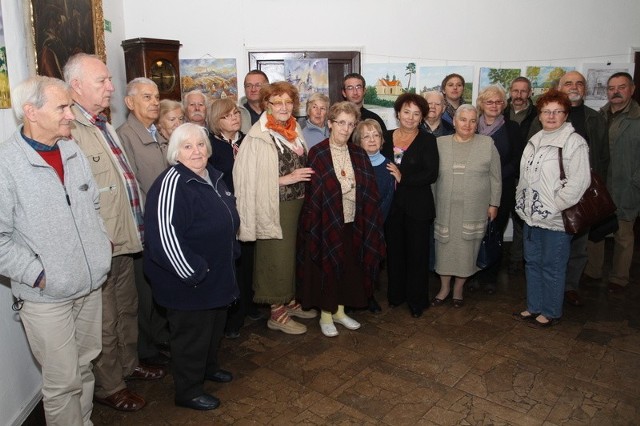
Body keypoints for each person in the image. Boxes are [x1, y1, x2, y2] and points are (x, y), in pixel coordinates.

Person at [0, 76, 111, 425]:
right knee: (63, 383)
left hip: (90, 284)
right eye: (62, 107)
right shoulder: (6, 164)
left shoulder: (71, 148)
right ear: (31, 112)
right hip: (46, 297)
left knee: (84, 367)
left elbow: (91, 203)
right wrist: (40, 275)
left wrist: (99, 247)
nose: (70, 114)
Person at [64, 53, 165, 413]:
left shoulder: (102, 123)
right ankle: (110, 385)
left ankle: (128, 365)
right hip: (99, 244)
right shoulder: (69, 128)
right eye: (102, 81)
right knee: (104, 320)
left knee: (127, 307)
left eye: (109, 80)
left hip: (123, 238)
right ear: (76, 86)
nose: (111, 86)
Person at [144, 123, 239, 411]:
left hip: (217, 276)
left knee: (211, 330)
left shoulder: (212, 175)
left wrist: (231, 252)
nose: (196, 151)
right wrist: (194, 272)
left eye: (200, 145)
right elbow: (164, 237)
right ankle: (187, 390)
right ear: (175, 152)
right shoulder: (171, 184)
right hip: (189, 281)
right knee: (190, 337)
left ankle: (207, 368)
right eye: (187, 146)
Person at [233, 81, 316, 335]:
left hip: (297, 203)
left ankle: (288, 299)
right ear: (267, 105)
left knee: (291, 255)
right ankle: (276, 312)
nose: (283, 107)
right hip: (274, 205)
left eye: (288, 102)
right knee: (275, 257)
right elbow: (244, 178)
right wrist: (284, 179)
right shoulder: (258, 136)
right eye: (277, 102)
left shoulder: (294, 129)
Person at [297, 102, 386, 336]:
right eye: (341, 123)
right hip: (327, 222)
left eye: (350, 124)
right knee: (329, 267)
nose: (346, 129)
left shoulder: (358, 153)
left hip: (354, 221)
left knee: (349, 267)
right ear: (330, 124)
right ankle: (326, 315)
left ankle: (339, 311)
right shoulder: (318, 153)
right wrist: (345, 188)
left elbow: (369, 189)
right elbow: (315, 193)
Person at [514, 89, 590, 327]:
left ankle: (551, 311)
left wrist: (554, 206)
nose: (551, 116)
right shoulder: (534, 140)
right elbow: (524, 177)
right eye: (547, 111)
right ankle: (534, 306)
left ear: (566, 115)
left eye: (557, 111)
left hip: (555, 220)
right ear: (539, 115)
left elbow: (580, 182)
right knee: (533, 263)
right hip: (531, 217)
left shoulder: (573, 142)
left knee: (552, 266)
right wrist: (521, 202)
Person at [117, 77, 172, 368]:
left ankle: (160, 337)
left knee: (160, 284)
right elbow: (133, 187)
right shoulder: (124, 135)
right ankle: (146, 348)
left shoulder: (157, 132)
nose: (154, 102)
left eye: (156, 97)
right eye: (147, 97)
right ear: (129, 102)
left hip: (166, 222)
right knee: (144, 289)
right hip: (147, 225)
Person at [431, 105, 502, 309]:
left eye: (472, 121)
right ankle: (444, 288)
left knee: (467, 251)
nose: (468, 125)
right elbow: (432, 179)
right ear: (454, 121)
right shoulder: (440, 143)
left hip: (474, 209)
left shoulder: (487, 143)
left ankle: (459, 290)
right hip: (444, 209)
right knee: (444, 249)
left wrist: (494, 203)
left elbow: (496, 178)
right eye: (463, 120)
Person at [207, 97, 264, 338]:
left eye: (236, 114)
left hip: (251, 208)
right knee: (232, 263)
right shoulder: (210, 146)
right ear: (216, 121)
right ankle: (233, 316)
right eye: (228, 115)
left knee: (250, 259)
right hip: (226, 211)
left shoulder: (249, 141)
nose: (235, 118)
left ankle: (251, 305)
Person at [381, 93, 439, 318]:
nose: (411, 117)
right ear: (398, 113)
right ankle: (396, 296)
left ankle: (417, 300)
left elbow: (431, 174)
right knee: (394, 253)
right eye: (407, 112)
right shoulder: (384, 137)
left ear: (422, 117)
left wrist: (402, 177)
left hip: (418, 208)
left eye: (416, 114)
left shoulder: (428, 140)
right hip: (391, 207)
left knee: (417, 255)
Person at [555, 71, 609, 306]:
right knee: (553, 243)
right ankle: (552, 285)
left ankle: (570, 287)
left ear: (585, 89)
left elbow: (603, 157)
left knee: (578, 243)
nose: (574, 87)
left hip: (583, 192)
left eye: (579, 83)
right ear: (560, 87)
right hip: (552, 191)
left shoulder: (594, 118)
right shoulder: (546, 116)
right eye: (568, 83)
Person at [586, 72, 640, 294]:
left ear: (632, 89)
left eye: (621, 87)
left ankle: (619, 278)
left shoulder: (637, 119)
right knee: (595, 230)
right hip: (599, 185)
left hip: (626, 185)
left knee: (624, 234)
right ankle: (592, 271)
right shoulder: (600, 116)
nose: (615, 92)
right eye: (611, 88)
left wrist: (635, 180)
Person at [471, 85, 521, 294]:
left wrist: (495, 174)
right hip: (474, 188)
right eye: (489, 101)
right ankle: (473, 273)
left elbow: (518, 159)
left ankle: (490, 276)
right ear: (481, 104)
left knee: (495, 233)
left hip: (502, 189)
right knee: (474, 233)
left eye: (499, 102)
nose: (494, 105)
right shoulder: (472, 126)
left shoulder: (512, 128)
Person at [504, 77, 538, 276]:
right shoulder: (501, 113)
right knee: (498, 217)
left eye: (523, 91)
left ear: (530, 93)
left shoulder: (536, 116)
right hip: (503, 173)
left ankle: (516, 258)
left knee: (520, 219)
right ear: (510, 91)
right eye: (515, 91)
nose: (518, 95)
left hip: (525, 175)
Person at [353, 118, 401, 222]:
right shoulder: (352, 165)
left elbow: (386, 204)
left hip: (378, 225)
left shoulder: (390, 168)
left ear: (381, 139)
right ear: (358, 142)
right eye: (366, 136)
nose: (372, 140)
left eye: (376, 135)